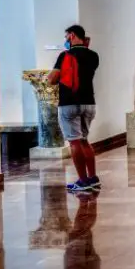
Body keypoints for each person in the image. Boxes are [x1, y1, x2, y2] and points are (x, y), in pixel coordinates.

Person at [48, 25, 100, 192]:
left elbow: (52, 79)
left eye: (66, 37)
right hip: (89, 103)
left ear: (71, 36)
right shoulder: (93, 56)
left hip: (69, 103)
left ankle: (83, 181)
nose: (65, 40)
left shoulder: (65, 55)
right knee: (84, 140)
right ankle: (93, 178)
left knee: (74, 142)